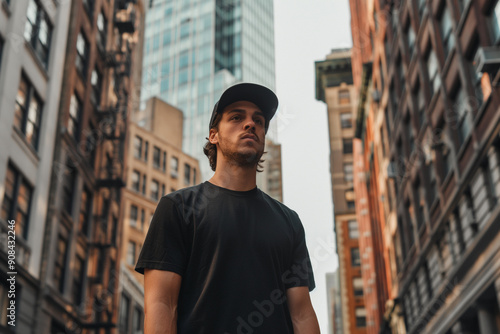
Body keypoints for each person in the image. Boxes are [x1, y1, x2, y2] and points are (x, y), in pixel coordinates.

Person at [135, 83, 320, 334]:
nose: (250, 124)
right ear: (214, 135)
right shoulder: (177, 209)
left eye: (259, 120)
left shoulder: (289, 222)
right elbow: (162, 305)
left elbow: (301, 314)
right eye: (236, 117)